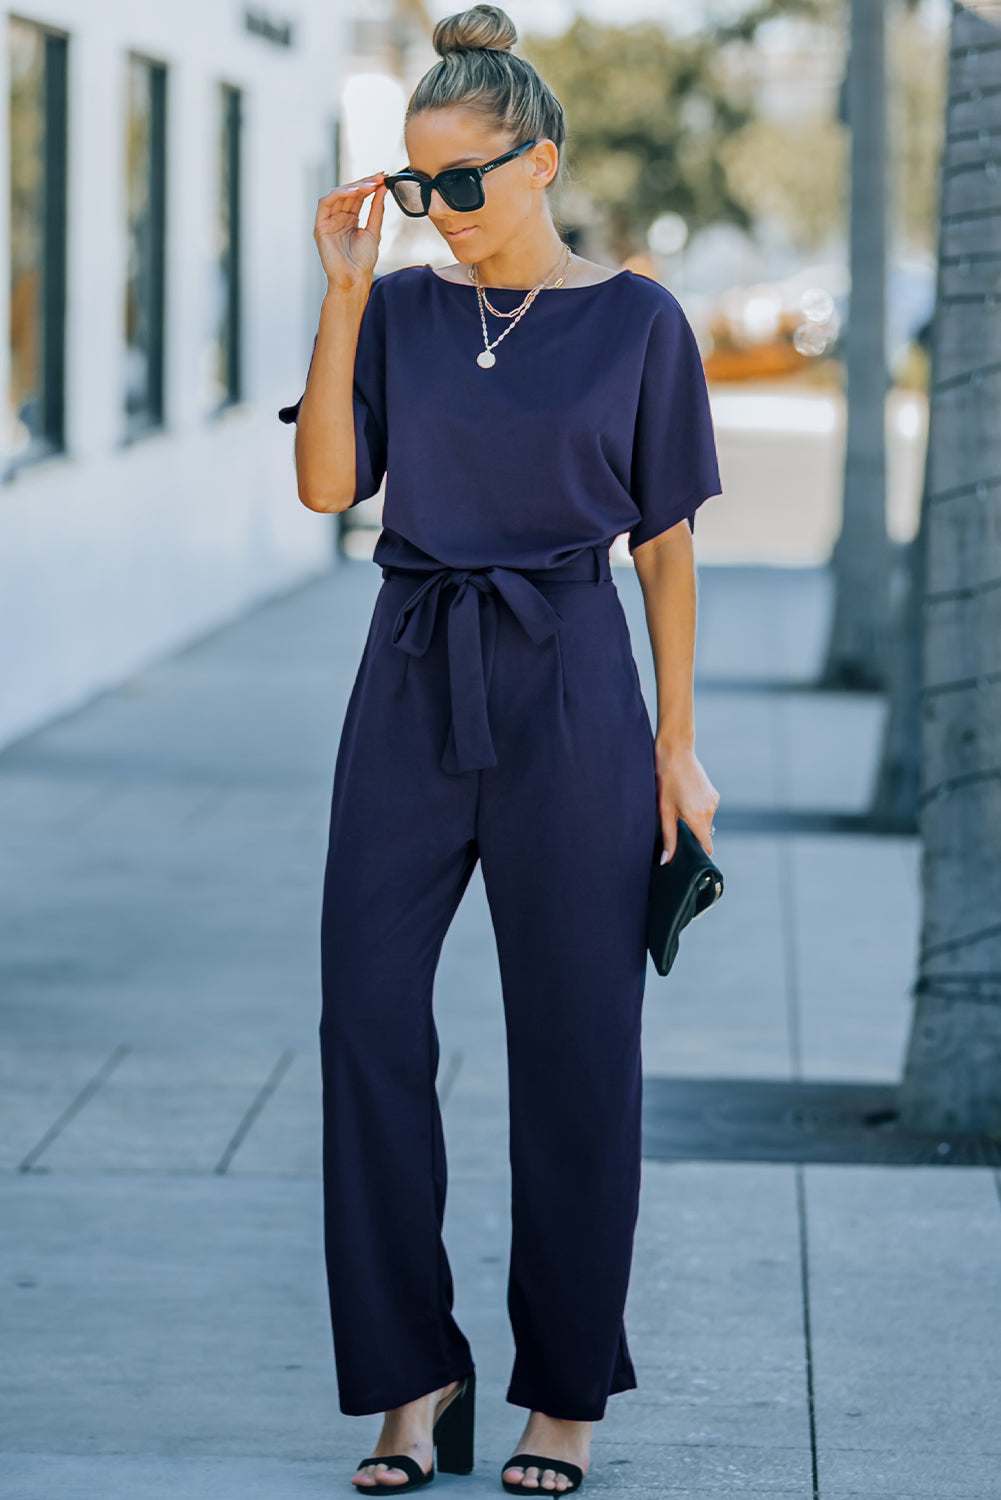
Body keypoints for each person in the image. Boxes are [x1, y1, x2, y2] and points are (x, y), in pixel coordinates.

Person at [278, 5, 722, 1494]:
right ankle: (414, 1379)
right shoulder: (398, 311)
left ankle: (563, 1398)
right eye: (414, 189)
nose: (434, 215)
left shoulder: (639, 322)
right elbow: (328, 486)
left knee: (578, 1053)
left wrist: (677, 747)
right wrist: (344, 293)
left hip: (574, 694)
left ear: (540, 163)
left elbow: (663, 549)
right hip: (407, 678)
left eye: (458, 184)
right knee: (365, 1024)